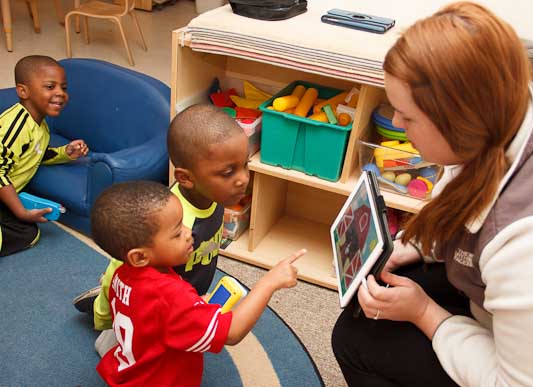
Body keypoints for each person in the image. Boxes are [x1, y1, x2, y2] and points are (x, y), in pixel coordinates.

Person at [332, 2, 533, 386]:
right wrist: (415, 244)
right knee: (370, 305)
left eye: (408, 117)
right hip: (499, 291)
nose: (396, 123)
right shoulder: (513, 108)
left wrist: (425, 314)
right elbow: (461, 196)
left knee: (356, 342)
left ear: (459, 125)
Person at [74, 103, 251, 353]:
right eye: (228, 172)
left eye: (245, 165)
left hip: (182, 296)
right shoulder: (168, 222)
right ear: (186, 178)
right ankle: (100, 307)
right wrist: (106, 314)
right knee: (125, 354)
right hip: (150, 301)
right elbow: (120, 266)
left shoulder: (215, 198)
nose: (243, 178)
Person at [91, 181, 305, 386]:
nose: (188, 232)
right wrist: (269, 282)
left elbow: (150, 313)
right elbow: (232, 333)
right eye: (176, 233)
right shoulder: (172, 296)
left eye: (183, 223)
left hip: (129, 369)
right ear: (139, 257)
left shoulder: (120, 273)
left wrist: (193, 306)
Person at [0, 55, 89, 257]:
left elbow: (35, 154)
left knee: (29, 234)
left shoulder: (39, 125)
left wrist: (65, 153)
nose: (60, 93)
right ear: (23, 91)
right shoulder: (17, 126)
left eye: (63, 88)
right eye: (50, 87)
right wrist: (20, 211)